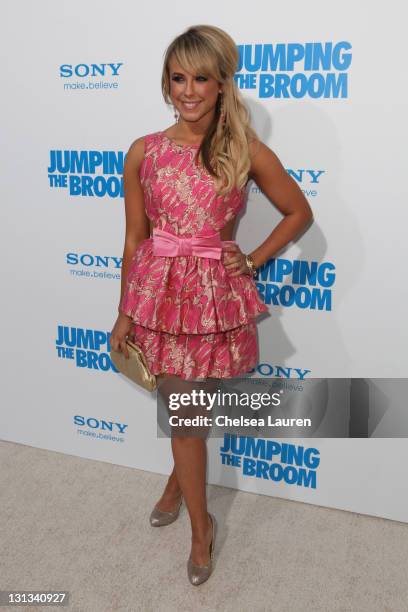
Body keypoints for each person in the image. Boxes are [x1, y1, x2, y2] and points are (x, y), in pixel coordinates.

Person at [110, 24, 313, 586]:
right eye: (178, 77)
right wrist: (125, 311)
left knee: (187, 416)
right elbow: (133, 241)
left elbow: (299, 213)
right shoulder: (142, 151)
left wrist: (251, 260)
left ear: (223, 83)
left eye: (201, 77)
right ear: (165, 83)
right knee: (184, 416)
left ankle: (199, 525)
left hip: (211, 301)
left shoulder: (244, 150)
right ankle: (192, 504)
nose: (189, 89)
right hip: (158, 298)